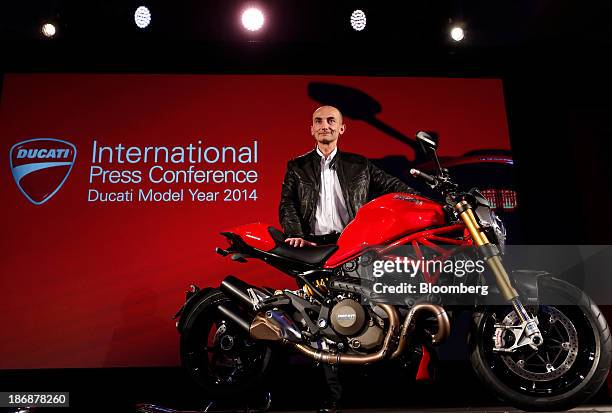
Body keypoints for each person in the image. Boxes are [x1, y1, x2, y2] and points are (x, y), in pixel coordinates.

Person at [278, 105, 420, 413]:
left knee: (368, 313)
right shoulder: (297, 166)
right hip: (313, 250)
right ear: (311, 129)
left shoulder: (360, 165)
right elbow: (287, 204)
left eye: (331, 121)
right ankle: (334, 396)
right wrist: (294, 234)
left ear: (342, 128)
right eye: (319, 121)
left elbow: (396, 189)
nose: (325, 126)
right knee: (323, 324)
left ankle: (381, 389)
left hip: (352, 246)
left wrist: (422, 205)